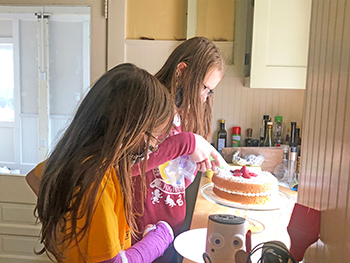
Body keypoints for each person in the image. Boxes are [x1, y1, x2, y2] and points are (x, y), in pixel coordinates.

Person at [27, 63, 220, 262]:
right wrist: (159, 238)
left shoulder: (76, 159)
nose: (152, 147)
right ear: (128, 130)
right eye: (152, 138)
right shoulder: (97, 180)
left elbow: (34, 178)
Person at [131, 37, 225, 262]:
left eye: (209, 92)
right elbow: (127, 168)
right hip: (138, 236)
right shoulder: (147, 105)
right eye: (204, 88)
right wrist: (187, 143)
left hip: (170, 232)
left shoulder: (184, 112)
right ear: (182, 70)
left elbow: (172, 180)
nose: (204, 98)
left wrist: (193, 162)